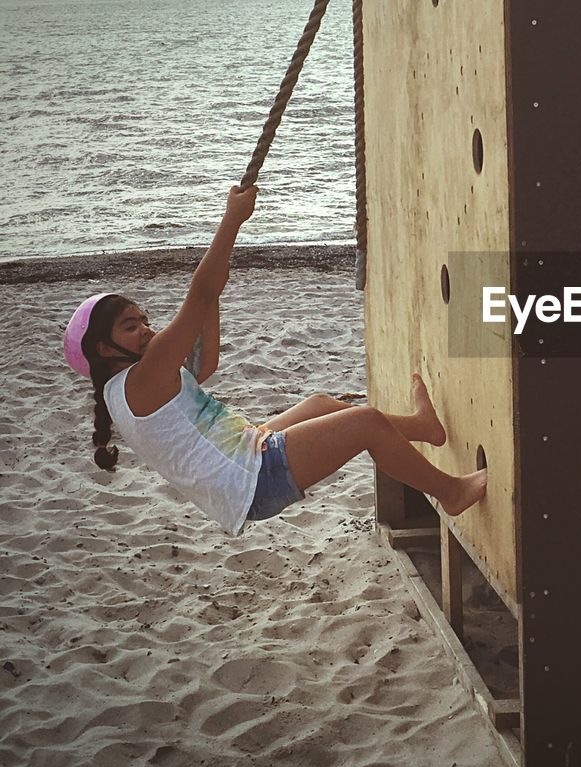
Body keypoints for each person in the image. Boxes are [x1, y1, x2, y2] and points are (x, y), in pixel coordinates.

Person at [63, 184, 487, 535]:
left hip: (244, 455)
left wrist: (213, 291)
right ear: (104, 349)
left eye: (144, 319)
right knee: (367, 424)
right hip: (252, 478)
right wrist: (232, 220)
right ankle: (450, 493)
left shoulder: (127, 388)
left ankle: (423, 428)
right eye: (129, 327)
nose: (145, 330)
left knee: (320, 404)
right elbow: (200, 293)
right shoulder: (141, 379)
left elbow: (204, 362)